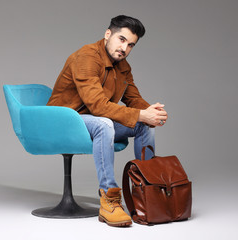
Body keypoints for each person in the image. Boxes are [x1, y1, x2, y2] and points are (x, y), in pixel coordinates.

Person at [47, 15, 168, 227]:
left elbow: (133, 99)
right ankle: (109, 200)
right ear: (107, 34)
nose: (125, 48)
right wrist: (141, 114)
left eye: (131, 45)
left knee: (144, 125)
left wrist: (151, 112)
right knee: (105, 123)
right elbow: (98, 106)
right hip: (64, 121)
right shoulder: (86, 57)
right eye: (121, 39)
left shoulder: (123, 66)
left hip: (92, 121)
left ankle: (147, 193)